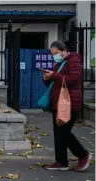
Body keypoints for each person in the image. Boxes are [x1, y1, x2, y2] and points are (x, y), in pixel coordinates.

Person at [43, 40, 91, 171]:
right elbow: (56, 82)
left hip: (69, 103)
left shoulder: (73, 60)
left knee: (63, 133)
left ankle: (83, 154)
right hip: (58, 102)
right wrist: (47, 78)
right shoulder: (59, 63)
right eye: (53, 54)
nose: (55, 56)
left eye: (57, 53)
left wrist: (55, 76)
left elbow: (74, 78)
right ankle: (61, 162)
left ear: (64, 50)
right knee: (59, 133)